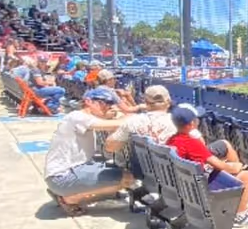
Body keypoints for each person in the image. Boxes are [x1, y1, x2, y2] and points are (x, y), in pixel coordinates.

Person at [165, 104, 248, 228]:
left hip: (186, 183)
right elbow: (221, 166)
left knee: (234, 170)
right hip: (198, 188)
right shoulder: (192, 143)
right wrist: (239, 167)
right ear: (192, 123)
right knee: (245, 175)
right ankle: (241, 215)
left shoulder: (171, 140)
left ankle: (236, 199)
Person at [44, 87, 134, 216]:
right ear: (88, 101)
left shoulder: (82, 118)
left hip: (65, 173)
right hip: (62, 176)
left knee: (116, 178)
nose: (107, 106)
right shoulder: (78, 116)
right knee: (127, 179)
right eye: (103, 102)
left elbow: (111, 125)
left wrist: (114, 114)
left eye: (109, 103)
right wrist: (134, 116)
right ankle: (69, 198)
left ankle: (68, 192)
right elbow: (116, 125)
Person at [104, 85, 177, 151]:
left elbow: (110, 147)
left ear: (145, 102)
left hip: (137, 165)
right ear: (168, 103)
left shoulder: (133, 121)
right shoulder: (178, 124)